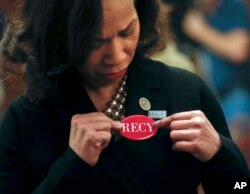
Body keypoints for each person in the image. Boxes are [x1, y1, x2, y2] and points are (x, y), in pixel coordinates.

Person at [0, 0, 248, 194]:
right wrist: (72, 166)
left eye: (126, 31)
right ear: (58, 35)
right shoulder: (26, 118)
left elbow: (241, 188)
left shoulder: (184, 88)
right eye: (95, 42)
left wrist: (219, 152)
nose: (117, 56)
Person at [182, 0, 250, 167]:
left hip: (233, 96)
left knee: (231, 152)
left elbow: (238, 51)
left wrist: (200, 31)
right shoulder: (192, 9)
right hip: (206, 99)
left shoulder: (232, 6)